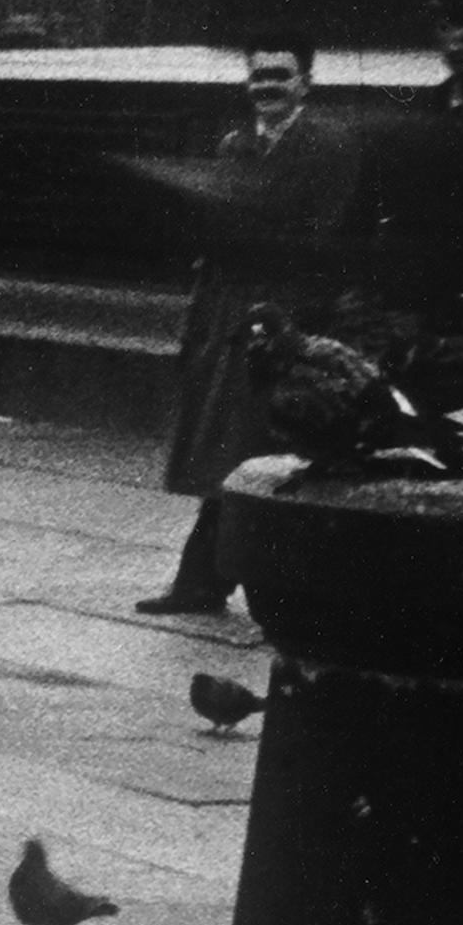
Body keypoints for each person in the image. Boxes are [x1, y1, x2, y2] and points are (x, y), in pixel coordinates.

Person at [137, 40, 316, 615]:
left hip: (287, 316)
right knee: (230, 449)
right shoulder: (236, 145)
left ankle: (244, 582)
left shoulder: (323, 147)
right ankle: (207, 579)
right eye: (259, 76)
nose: (268, 86)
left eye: (280, 76)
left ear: (305, 83)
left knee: (267, 451)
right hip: (230, 316)